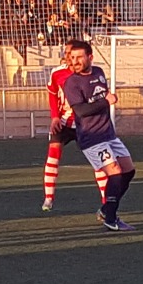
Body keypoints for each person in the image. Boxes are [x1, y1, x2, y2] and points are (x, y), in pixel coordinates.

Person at [61, 40, 137, 231]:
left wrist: (106, 99)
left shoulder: (99, 72)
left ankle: (105, 210)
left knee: (128, 171)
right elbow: (80, 111)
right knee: (115, 173)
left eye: (79, 57)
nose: (75, 61)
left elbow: (101, 96)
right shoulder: (72, 82)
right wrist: (106, 101)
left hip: (108, 134)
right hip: (91, 137)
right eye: (72, 57)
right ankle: (111, 219)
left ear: (90, 57)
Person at [41, 56, 108, 212]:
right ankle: (48, 198)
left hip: (86, 124)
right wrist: (55, 117)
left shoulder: (92, 74)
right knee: (53, 155)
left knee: (98, 162)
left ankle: (106, 202)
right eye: (69, 56)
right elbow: (52, 94)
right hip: (63, 122)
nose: (72, 60)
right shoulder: (57, 73)